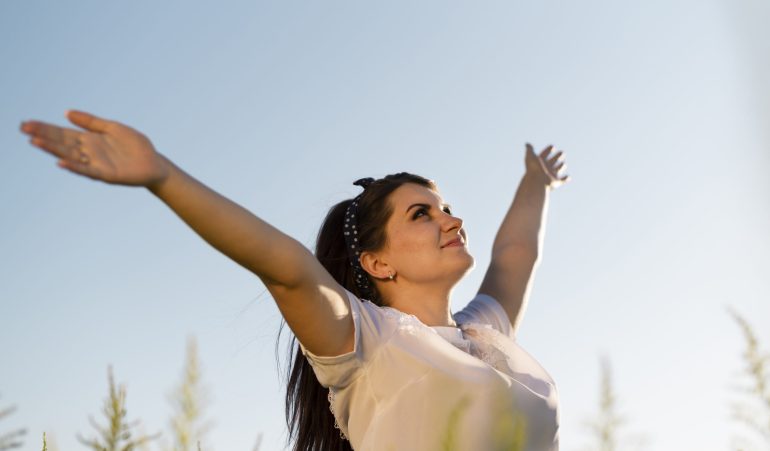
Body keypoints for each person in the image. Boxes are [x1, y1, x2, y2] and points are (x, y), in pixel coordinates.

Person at [20, 110, 571, 451]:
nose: (451, 220)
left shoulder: (486, 333)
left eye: (446, 207)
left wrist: (536, 183)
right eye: (420, 214)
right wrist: (165, 177)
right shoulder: (368, 341)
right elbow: (285, 269)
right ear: (378, 263)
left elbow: (515, 253)